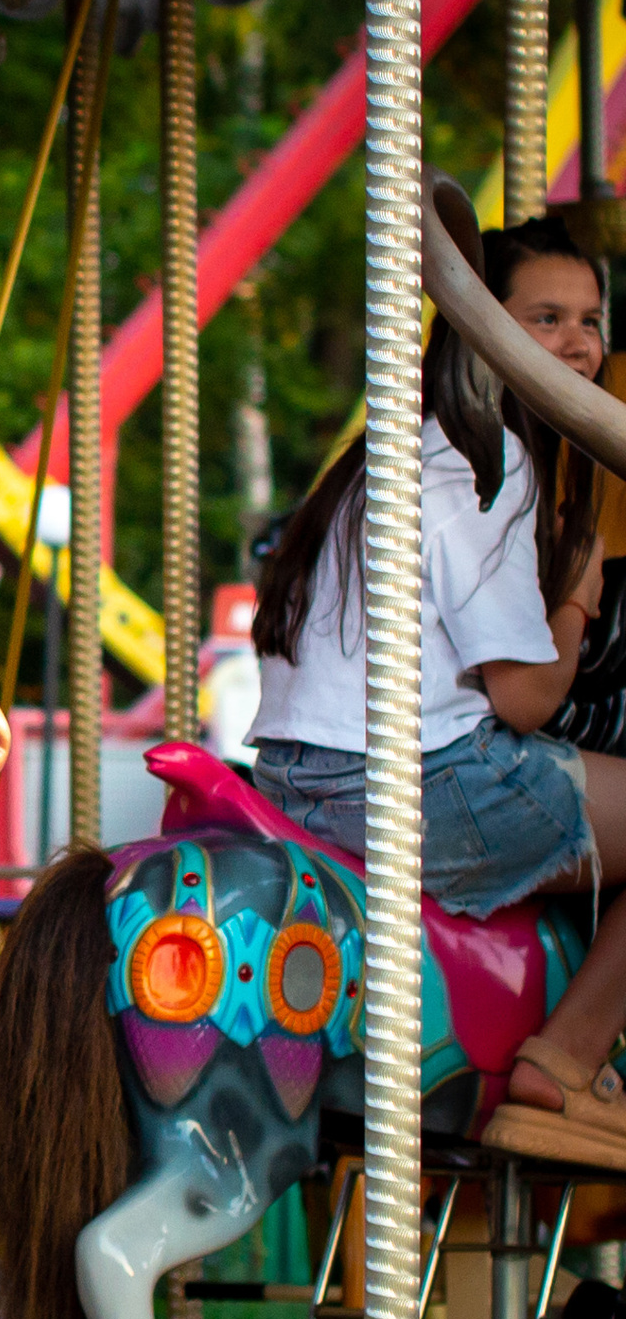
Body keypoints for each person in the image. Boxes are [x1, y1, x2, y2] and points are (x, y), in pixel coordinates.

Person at [248, 215, 626, 1167]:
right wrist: (579, 589)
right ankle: (567, 1066)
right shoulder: (487, 461)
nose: (577, 342)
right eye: (544, 317)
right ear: (482, 327)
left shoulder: (400, 450)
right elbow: (527, 701)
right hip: (418, 784)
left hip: (302, 776)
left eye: (590, 318)